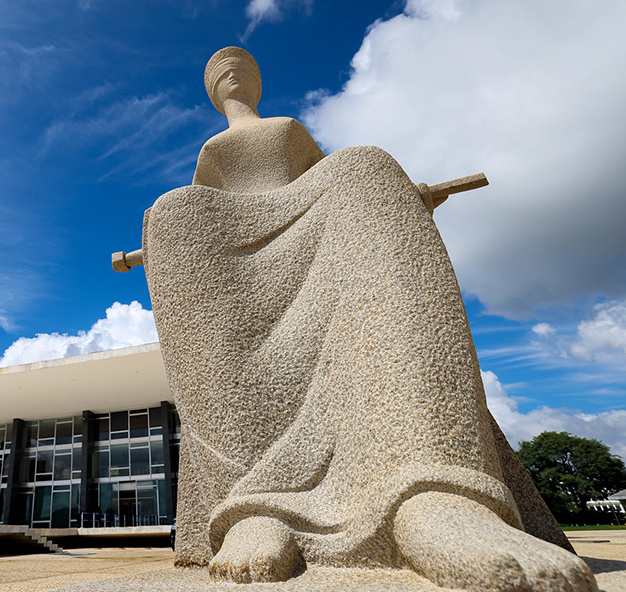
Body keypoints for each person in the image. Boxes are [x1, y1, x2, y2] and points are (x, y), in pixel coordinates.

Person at [139, 47, 595, 591]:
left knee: (365, 163)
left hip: (312, 208)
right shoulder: (213, 150)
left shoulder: (289, 129)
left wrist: (405, 196)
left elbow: (313, 175)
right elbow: (208, 201)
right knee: (171, 214)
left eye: (242, 68)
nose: (231, 74)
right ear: (212, 92)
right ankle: (255, 507)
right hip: (232, 233)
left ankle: (431, 496)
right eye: (219, 73)